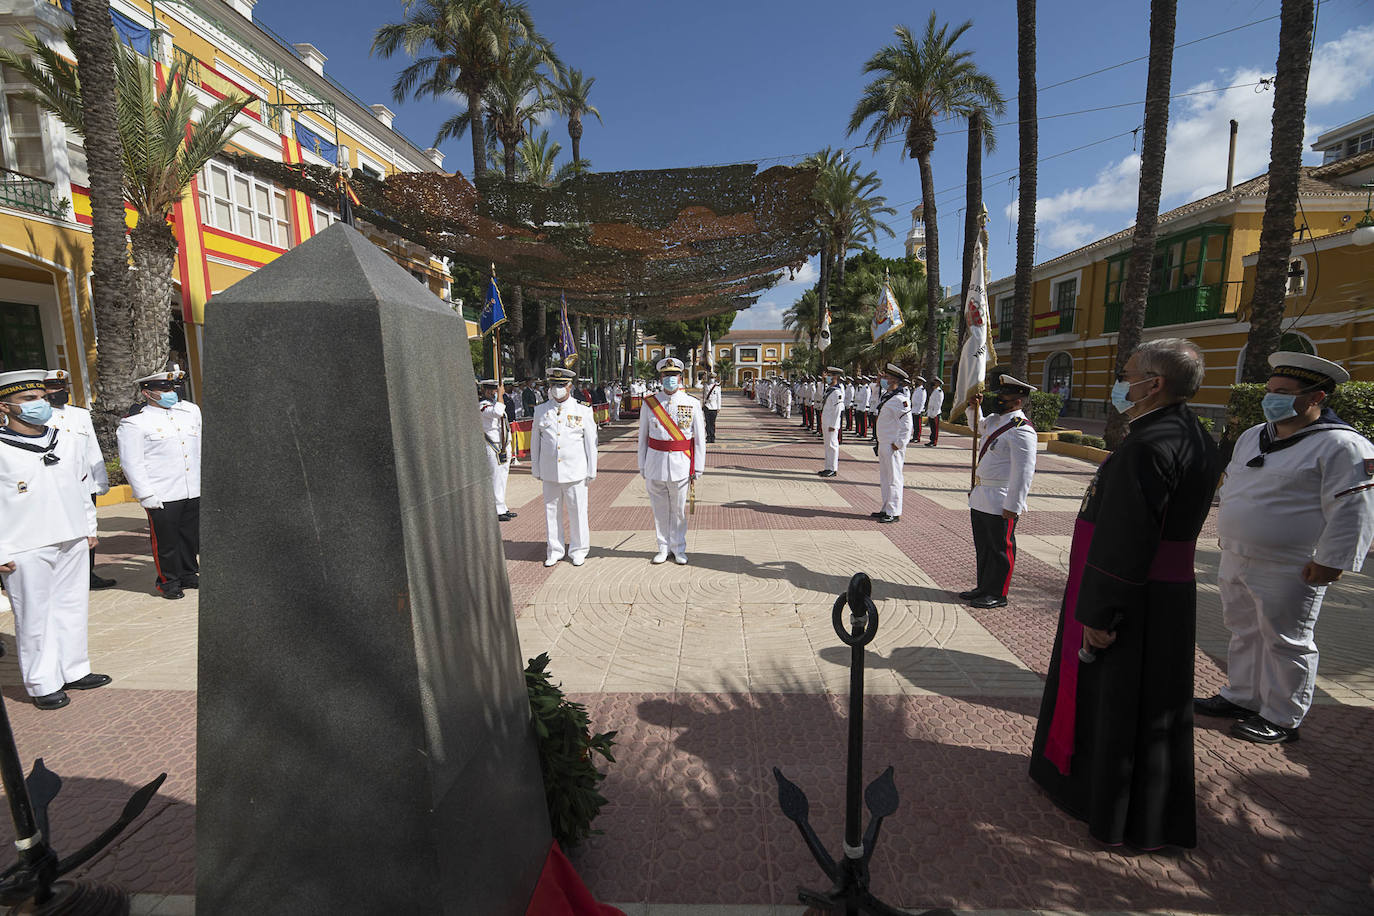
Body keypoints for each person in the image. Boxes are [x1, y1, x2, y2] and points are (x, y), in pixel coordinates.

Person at [1029, 338, 1218, 850]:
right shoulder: (1190, 433)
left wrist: (1101, 613)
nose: (1122, 382)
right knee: (1151, 704)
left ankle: (1106, 804)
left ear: (1154, 384)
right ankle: (1147, 807)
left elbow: (1126, 538)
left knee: (1117, 701)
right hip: (1165, 595)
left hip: (1134, 595)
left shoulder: (1147, 446)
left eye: (1128, 373)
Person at [1196, 352, 1374, 745]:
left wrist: (1333, 561)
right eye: (1270, 391)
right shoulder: (1253, 434)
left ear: (1316, 397)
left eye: (1283, 393)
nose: (1271, 399)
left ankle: (1282, 716)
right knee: (1242, 630)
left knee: (1286, 640)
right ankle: (1242, 696)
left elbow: (1353, 508)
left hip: (1293, 564)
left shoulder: (1343, 445)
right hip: (1235, 553)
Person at [0, 370, 110, 710]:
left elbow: (82, 485)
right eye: (28, 400)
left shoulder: (68, 439)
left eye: (42, 398)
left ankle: (74, 669)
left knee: (72, 606)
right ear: (5, 407)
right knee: (34, 615)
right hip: (24, 543)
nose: (40, 404)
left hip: (71, 535)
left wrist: (89, 527)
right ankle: (42, 682)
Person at [117, 368, 201, 599]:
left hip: (192, 487)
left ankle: (188, 573)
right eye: (163, 389)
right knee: (166, 541)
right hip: (162, 492)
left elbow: (199, 450)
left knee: (189, 536)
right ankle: (168, 581)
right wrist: (145, 495)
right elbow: (131, 463)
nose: (169, 393)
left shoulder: (190, 412)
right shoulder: (135, 423)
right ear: (147, 393)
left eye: (171, 388)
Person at [959, 372, 1038, 609]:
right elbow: (979, 427)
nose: (1000, 398)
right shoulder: (996, 420)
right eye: (1000, 394)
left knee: (1000, 549)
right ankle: (983, 587)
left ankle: (998, 593)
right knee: (983, 547)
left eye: (1005, 395)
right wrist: (974, 408)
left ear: (1018, 400)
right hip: (982, 496)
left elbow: (1024, 472)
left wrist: (1013, 506)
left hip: (1001, 500)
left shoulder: (1022, 430)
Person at [43, 370, 115, 589]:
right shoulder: (41, 415)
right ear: (44, 391)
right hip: (56, 484)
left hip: (85, 483)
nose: (60, 392)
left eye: (63, 387)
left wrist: (100, 479)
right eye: (54, 388)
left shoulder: (80, 415)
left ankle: (89, 573)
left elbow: (92, 446)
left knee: (88, 528)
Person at [637, 357, 705, 565]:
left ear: (680, 377)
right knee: (659, 509)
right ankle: (663, 547)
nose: (670, 379)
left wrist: (698, 467)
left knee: (678, 510)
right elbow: (642, 437)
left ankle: (679, 548)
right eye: (666, 375)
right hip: (655, 463)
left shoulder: (692, 403)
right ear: (661, 377)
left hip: (681, 464)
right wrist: (642, 464)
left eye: (673, 375)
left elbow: (700, 439)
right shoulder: (649, 403)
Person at [530, 367, 598, 567]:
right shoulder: (540, 410)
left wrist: (591, 470)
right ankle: (555, 549)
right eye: (553, 385)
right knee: (551, 512)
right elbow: (536, 443)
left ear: (570, 386)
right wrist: (536, 468)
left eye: (561, 385)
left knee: (577, 512)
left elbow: (590, 443)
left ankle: (578, 549)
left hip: (575, 471)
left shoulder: (582, 410)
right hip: (550, 471)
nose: (556, 389)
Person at [872, 363, 913, 523]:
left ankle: (894, 511)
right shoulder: (888, 396)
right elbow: (874, 401)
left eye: (887, 378)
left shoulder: (901, 399)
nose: (884, 379)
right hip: (883, 442)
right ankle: (886, 508)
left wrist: (900, 443)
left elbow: (907, 424)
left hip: (892, 445)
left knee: (894, 478)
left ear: (895, 380)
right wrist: (877, 383)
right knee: (885, 478)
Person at [478, 380, 516, 522]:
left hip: (503, 445)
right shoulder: (483, 406)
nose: (495, 393)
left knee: (502, 476)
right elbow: (498, 412)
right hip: (492, 445)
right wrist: (501, 396)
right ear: (485, 391)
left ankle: (502, 506)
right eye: (493, 391)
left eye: (496, 390)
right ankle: (496, 509)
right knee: (495, 477)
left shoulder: (496, 404)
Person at [816, 367, 845, 478]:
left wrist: (834, 425)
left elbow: (838, 410)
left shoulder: (837, 392)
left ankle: (833, 468)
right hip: (827, 422)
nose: (826, 377)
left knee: (832, 445)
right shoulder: (830, 389)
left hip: (831, 424)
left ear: (835, 377)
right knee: (827, 445)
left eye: (829, 375)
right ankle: (828, 467)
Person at [702, 371, 722, 444]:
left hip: (714, 407)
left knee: (712, 423)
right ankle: (708, 437)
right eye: (710, 377)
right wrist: (703, 404)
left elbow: (719, 398)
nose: (711, 379)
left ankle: (712, 437)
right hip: (707, 406)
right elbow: (704, 396)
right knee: (707, 423)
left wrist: (719, 407)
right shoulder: (705, 385)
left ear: (715, 378)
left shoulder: (717, 387)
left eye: (713, 378)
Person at [924, 379, 945, 447]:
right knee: (932, 428)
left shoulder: (939, 392)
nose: (933, 383)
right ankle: (931, 440)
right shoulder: (935, 391)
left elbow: (938, 404)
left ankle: (934, 441)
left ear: (938, 384)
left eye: (935, 382)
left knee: (935, 428)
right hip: (931, 412)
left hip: (935, 413)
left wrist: (934, 413)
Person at [909, 374, 928, 444]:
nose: (916, 382)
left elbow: (922, 401)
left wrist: (919, 410)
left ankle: (917, 437)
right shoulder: (917, 389)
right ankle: (914, 437)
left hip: (918, 410)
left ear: (921, 382)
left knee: (918, 425)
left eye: (918, 381)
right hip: (914, 409)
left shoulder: (922, 390)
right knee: (915, 425)